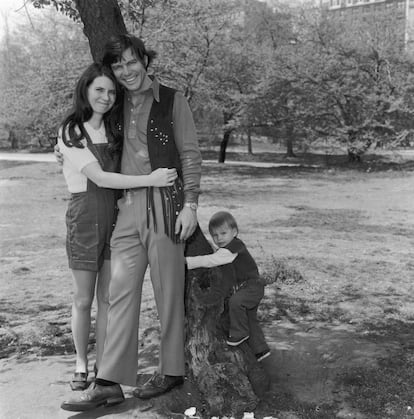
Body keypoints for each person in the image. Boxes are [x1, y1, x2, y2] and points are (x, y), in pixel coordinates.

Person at [61, 34, 202, 412]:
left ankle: (171, 370)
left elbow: (190, 154)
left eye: (130, 62)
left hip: (166, 206)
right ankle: (108, 382)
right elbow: (89, 129)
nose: (126, 71)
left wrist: (191, 205)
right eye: (118, 66)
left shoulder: (173, 100)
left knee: (167, 291)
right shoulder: (117, 103)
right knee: (119, 293)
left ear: (144, 59)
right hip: (127, 210)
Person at [186, 211, 270, 362]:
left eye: (223, 233)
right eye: (215, 235)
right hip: (245, 288)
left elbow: (211, 260)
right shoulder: (226, 254)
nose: (219, 238)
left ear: (235, 232)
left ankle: (239, 333)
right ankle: (260, 350)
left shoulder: (234, 247)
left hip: (253, 286)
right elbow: (225, 281)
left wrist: (187, 262)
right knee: (250, 318)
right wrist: (208, 297)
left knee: (236, 302)